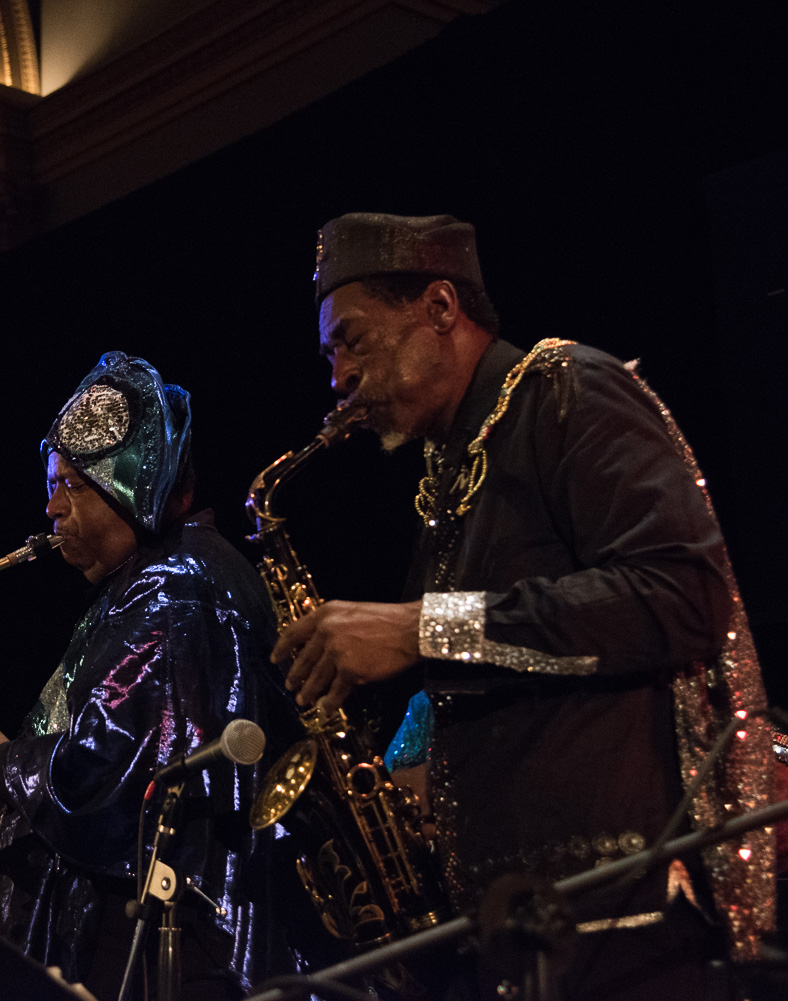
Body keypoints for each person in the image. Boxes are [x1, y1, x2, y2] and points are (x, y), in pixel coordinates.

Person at [277, 212, 774, 998]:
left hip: (624, 919)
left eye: (353, 340)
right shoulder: (444, 480)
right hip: (522, 932)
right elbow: (492, 655)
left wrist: (416, 627)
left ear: (440, 308)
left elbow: (682, 593)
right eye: (329, 352)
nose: (337, 375)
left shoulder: (570, 389)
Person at [0, 352, 290, 998]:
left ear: (127, 482)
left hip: (174, 961)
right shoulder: (152, 582)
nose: (51, 507)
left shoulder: (174, 590)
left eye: (67, 482)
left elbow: (113, 782)